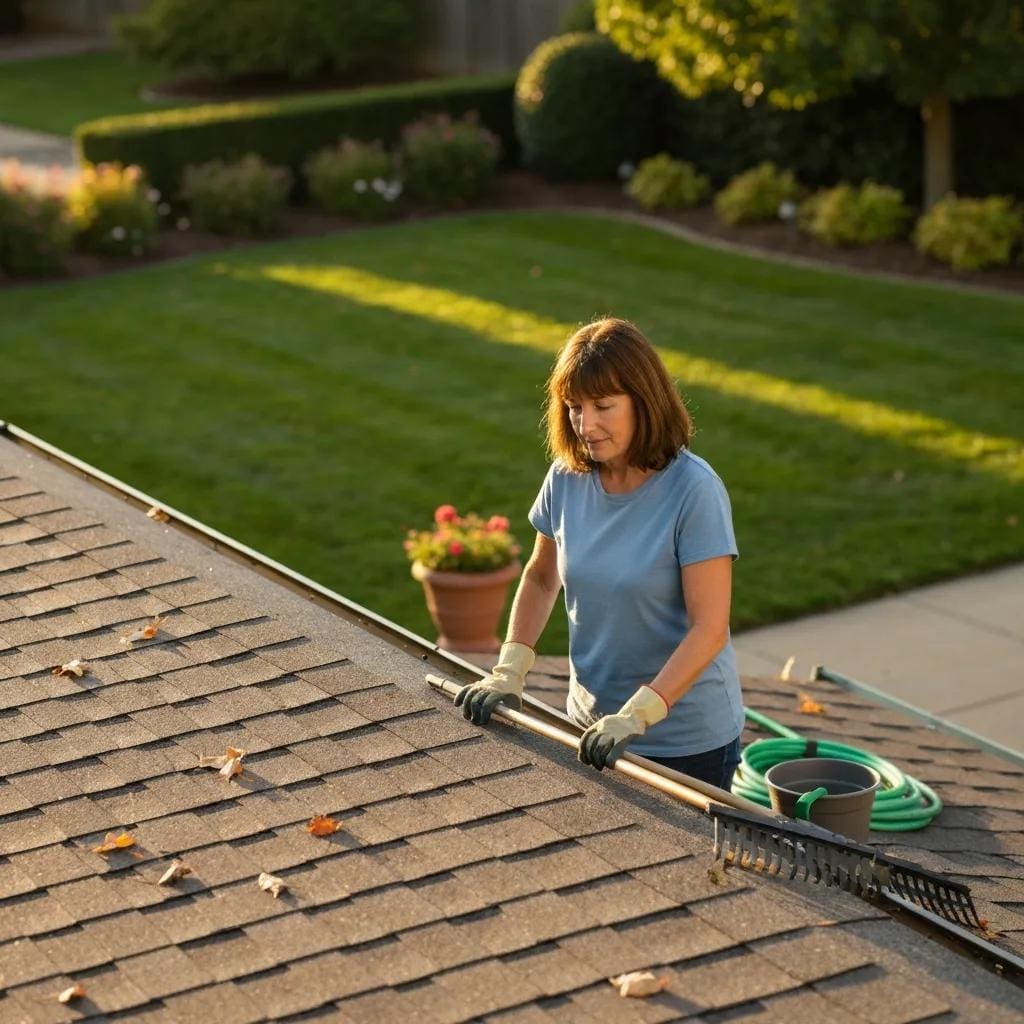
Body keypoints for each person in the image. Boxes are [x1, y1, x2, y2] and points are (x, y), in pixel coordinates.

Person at [455, 317, 744, 790]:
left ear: (644, 402)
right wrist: (509, 670)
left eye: (603, 406)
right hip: (590, 724)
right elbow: (542, 578)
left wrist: (637, 715)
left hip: (686, 744)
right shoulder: (567, 477)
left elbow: (709, 629)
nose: (585, 425)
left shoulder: (695, 491)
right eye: (574, 407)